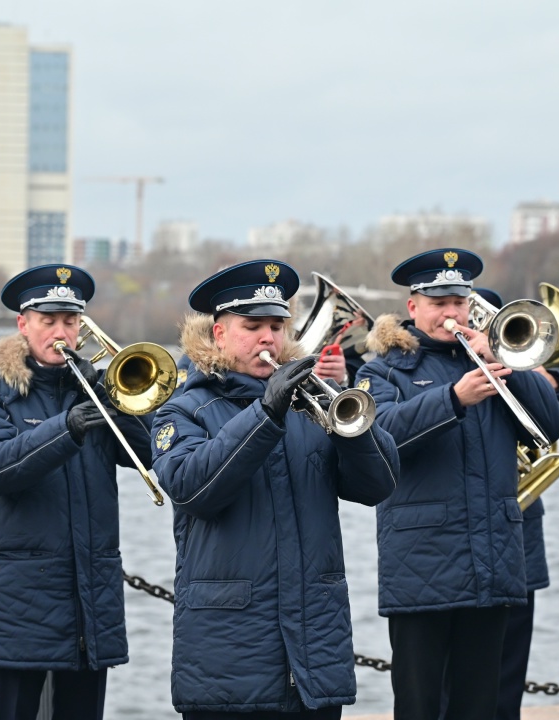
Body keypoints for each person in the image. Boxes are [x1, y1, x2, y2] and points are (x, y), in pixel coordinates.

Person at [150, 259, 399, 719]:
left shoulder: (310, 403)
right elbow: (192, 490)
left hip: (314, 656)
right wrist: (265, 414)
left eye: (276, 326)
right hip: (228, 664)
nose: (268, 338)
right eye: (252, 327)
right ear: (219, 334)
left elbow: (378, 484)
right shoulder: (183, 410)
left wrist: (350, 422)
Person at [354, 249, 559, 720]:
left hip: (492, 564)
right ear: (413, 307)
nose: (450, 313)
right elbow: (379, 437)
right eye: (438, 303)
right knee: (419, 705)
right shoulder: (383, 369)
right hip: (420, 568)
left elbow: (549, 425)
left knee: (479, 706)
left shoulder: (494, 360)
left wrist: (506, 361)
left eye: (458, 302)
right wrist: (452, 398)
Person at [0, 264, 153, 720]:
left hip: (92, 608)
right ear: (23, 324)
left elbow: (154, 455)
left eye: (70, 321)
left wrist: (115, 397)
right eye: (48, 321)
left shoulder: (97, 391)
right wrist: (65, 429)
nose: (60, 332)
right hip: (20, 614)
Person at [468, 288, 559, 720]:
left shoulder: (520, 364)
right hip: (453, 547)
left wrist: (541, 377)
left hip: (516, 535)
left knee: (506, 682)